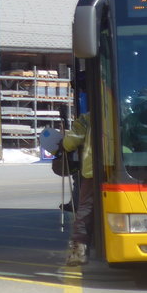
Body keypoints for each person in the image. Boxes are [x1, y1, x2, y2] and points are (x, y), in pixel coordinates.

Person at [63, 111, 94, 266]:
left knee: (85, 210)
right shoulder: (128, 111)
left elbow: (70, 143)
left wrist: (63, 142)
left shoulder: (87, 118)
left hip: (93, 171)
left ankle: (78, 251)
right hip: (125, 167)